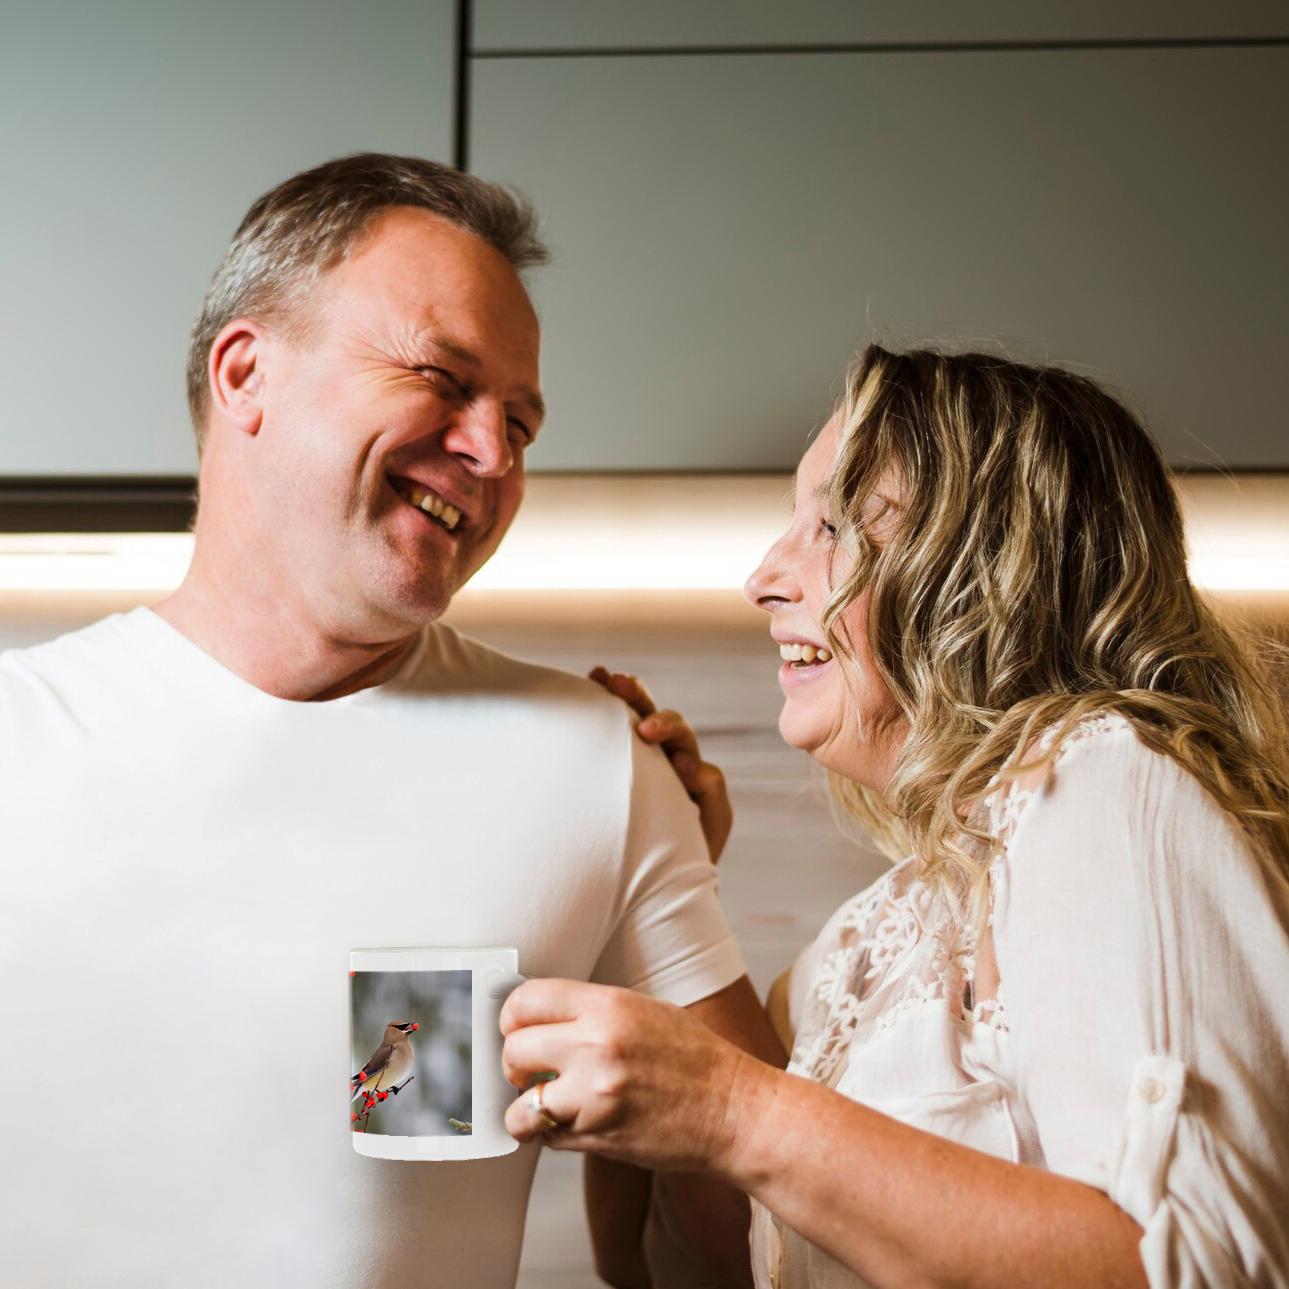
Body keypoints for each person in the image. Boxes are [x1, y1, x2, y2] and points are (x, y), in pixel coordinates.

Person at [0, 153, 781, 1288]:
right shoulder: (19, 736)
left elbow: (747, 1248)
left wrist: (649, 918)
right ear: (245, 372)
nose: (492, 452)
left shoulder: (592, 763)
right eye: (442, 377)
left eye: (519, 418)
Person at [501, 345, 1289, 1288]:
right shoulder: (867, 940)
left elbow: (1207, 1266)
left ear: (985, 566)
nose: (762, 575)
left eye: (830, 524)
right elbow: (677, 1266)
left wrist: (734, 1109)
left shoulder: (1105, 777)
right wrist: (656, 880)